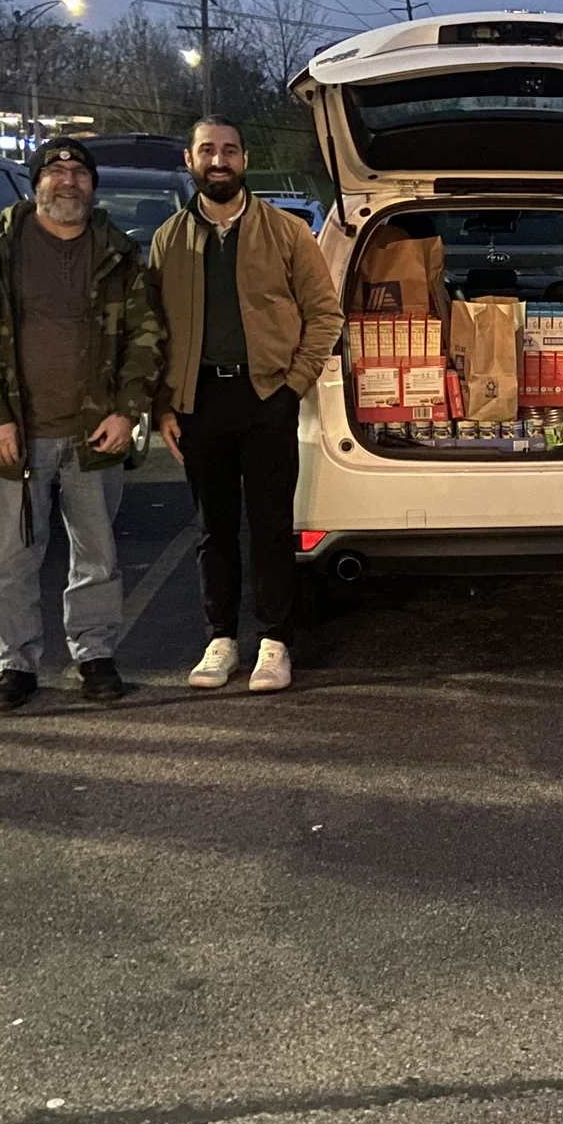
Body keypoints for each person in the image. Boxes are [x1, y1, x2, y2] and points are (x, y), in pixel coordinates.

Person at [0, 138, 162, 711]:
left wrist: (127, 411)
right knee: (12, 558)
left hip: (95, 433)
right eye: (55, 171)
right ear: (36, 181)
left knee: (97, 554)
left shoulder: (117, 252)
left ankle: (94, 654)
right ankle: (14, 663)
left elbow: (147, 336)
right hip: (15, 435)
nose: (67, 180)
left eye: (78, 171)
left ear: (93, 185)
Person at [149, 114, 342, 694]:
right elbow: (152, 329)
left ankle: (275, 641)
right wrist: (163, 405)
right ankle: (221, 638)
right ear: (190, 161)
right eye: (207, 150)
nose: (218, 160)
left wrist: (293, 387)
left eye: (229, 151)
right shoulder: (168, 240)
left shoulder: (286, 232)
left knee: (270, 523)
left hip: (267, 398)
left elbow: (325, 314)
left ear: (244, 161)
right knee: (214, 528)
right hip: (199, 400)